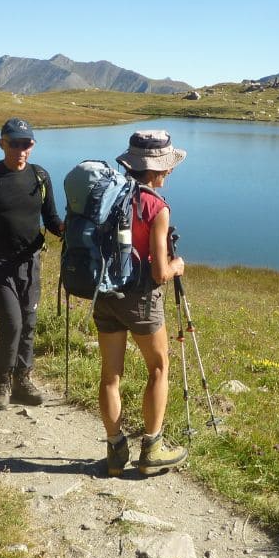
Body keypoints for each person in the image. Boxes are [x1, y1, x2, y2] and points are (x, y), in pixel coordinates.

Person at [95, 130, 188, 477]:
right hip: (140, 299)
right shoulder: (156, 207)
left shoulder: (107, 194)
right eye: (166, 167)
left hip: (104, 294)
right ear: (154, 170)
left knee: (110, 376)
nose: (169, 172)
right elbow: (161, 271)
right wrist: (178, 265)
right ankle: (152, 448)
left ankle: (115, 452)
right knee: (159, 368)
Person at [0, 118, 64, 410]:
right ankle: (2, 380)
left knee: (29, 323)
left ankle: (23, 378)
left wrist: (65, 229)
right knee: (12, 322)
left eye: (27, 144)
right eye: (15, 143)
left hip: (30, 261)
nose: (21, 150)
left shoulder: (40, 176)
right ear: (2, 144)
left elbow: (51, 218)